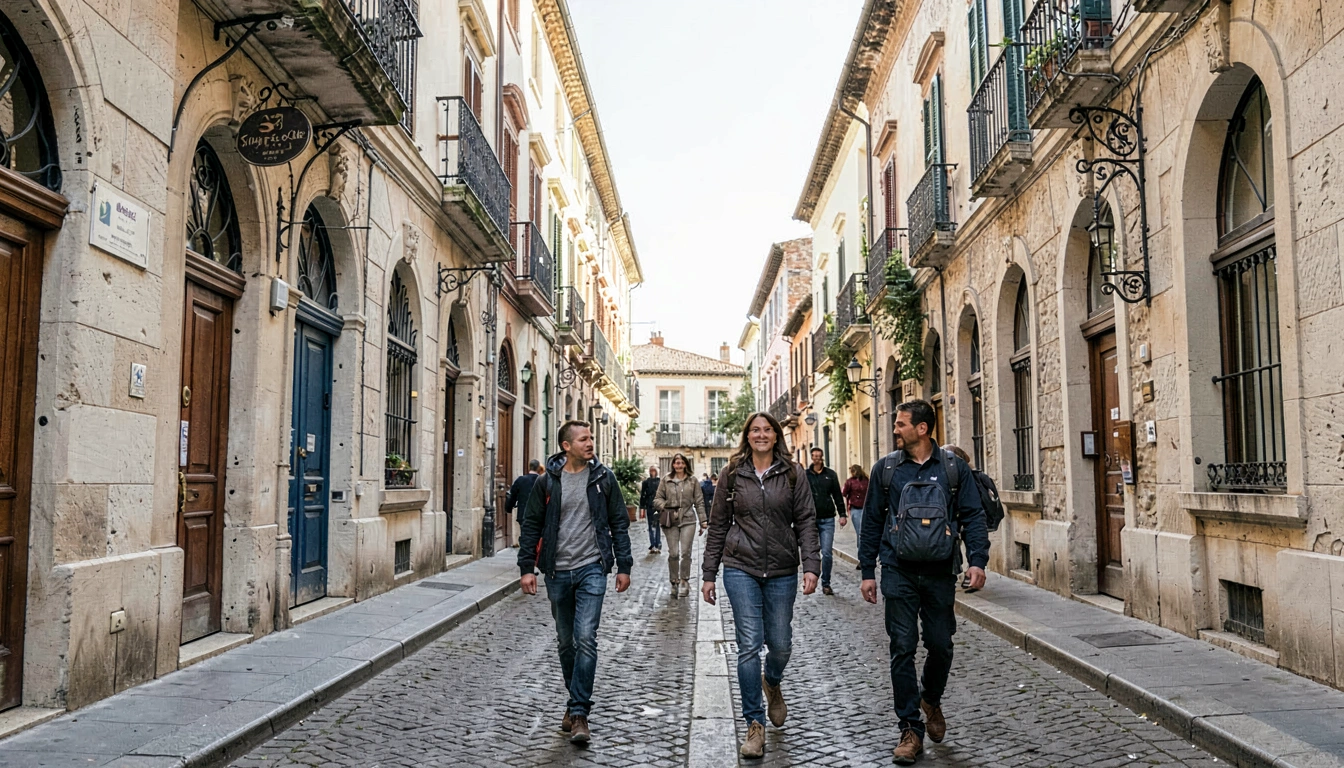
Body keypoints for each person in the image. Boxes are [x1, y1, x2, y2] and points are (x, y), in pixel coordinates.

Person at [859, 400, 989, 765]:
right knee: (902, 646)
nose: (895, 429)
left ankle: (930, 698)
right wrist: (867, 571)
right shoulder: (886, 469)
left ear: (922, 428)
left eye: (901, 424)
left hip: (940, 571)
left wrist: (978, 561)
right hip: (897, 570)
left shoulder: (953, 468)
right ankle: (910, 730)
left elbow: (973, 515)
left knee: (941, 644)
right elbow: (872, 521)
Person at [702, 412, 820, 759]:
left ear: (776, 435)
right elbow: (718, 524)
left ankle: (773, 681)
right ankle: (754, 724)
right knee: (749, 645)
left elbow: (806, 521)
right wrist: (709, 573)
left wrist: (812, 565)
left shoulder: (793, 473)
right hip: (741, 566)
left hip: (782, 569)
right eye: (755, 430)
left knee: (780, 644)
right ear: (747, 436)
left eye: (767, 429)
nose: (761, 434)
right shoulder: (732, 473)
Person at [518, 421, 634, 745]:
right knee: (566, 643)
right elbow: (531, 524)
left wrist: (624, 565)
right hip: (556, 572)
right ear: (566, 446)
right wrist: (527, 568)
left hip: (591, 568)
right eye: (583, 439)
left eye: (591, 437)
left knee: (585, 638)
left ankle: (580, 712)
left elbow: (619, 523)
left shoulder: (603, 478)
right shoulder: (547, 482)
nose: (590, 442)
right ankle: (574, 701)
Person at [652, 453, 706, 597]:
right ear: (673, 465)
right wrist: (666, 506)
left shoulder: (693, 481)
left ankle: (684, 580)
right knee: (674, 553)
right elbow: (657, 499)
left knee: (686, 552)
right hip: (671, 520)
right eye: (677, 463)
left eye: (682, 463)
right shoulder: (666, 480)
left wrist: (703, 520)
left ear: (686, 464)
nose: (679, 465)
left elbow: (699, 501)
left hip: (688, 519)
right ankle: (674, 580)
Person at [805, 448, 848, 596]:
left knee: (827, 553)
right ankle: (809, 579)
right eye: (814, 456)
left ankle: (826, 583)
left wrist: (842, 514)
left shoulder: (830, 475)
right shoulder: (805, 475)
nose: (816, 458)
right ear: (811, 457)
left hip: (827, 519)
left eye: (819, 456)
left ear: (822, 457)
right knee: (810, 552)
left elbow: (837, 495)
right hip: (811, 519)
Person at [504, 460, 544, 525]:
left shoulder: (521, 480)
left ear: (529, 467)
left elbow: (512, 495)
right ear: (538, 468)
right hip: (539, 515)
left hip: (523, 514)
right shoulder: (543, 481)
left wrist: (509, 508)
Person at [842, 464, 870, 544]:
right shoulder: (867, 480)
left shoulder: (850, 481)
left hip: (855, 507)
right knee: (864, 530)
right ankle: (863, 546)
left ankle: (861, 547)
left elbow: (844, 493)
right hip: (865, 507)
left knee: (859, 530)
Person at [639, 466, 662, 554]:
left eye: (654, 471)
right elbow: (643, 495)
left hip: (657, 506)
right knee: (651, 525)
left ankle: (658, 544)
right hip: (649, 506)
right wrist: (642, 507)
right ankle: (653, 544)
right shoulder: (646, 482)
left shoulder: (660, 482)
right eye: (651, 471)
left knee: (657, 525)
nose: (652, 472)